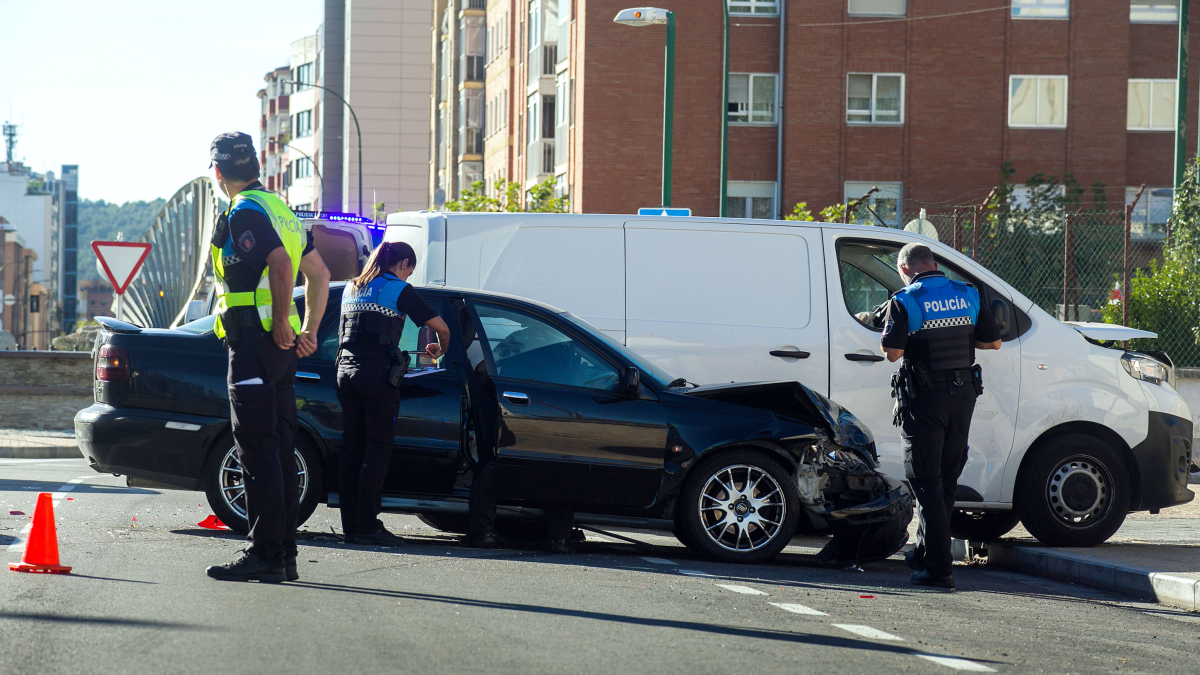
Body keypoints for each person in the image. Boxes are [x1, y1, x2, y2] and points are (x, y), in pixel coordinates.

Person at [205, 132, 330, 583]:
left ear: (218, 172)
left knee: (257, 450)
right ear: (256, 167)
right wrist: (308, 331)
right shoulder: (281, 209)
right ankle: (284, 554)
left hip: (255, 346)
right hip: (279, 353)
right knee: (277, 449)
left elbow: (279, 264)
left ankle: (265, 553)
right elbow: (320, 274)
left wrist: (280, 322)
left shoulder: (244, 212)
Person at [880, 243, 1001, 589]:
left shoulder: (905, 299)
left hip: (926, 397)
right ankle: (924, 553)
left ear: (905, 269)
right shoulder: (967, 293)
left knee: (924, 478)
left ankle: (938, 567)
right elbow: (993, 343)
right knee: (945, 479)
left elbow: (893, 353)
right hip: (963, 396)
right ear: (933, 264)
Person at [336, 241, 450, 546]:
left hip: (344, 371)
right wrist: (440, 350)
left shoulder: (351, 287)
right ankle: (368, 527)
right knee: (377, 448)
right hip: (375, 374)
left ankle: (351, 527)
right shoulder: (398, 288)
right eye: (409, 271)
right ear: (403, 264)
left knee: (352, 449)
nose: (407, 277)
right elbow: (443, 329)